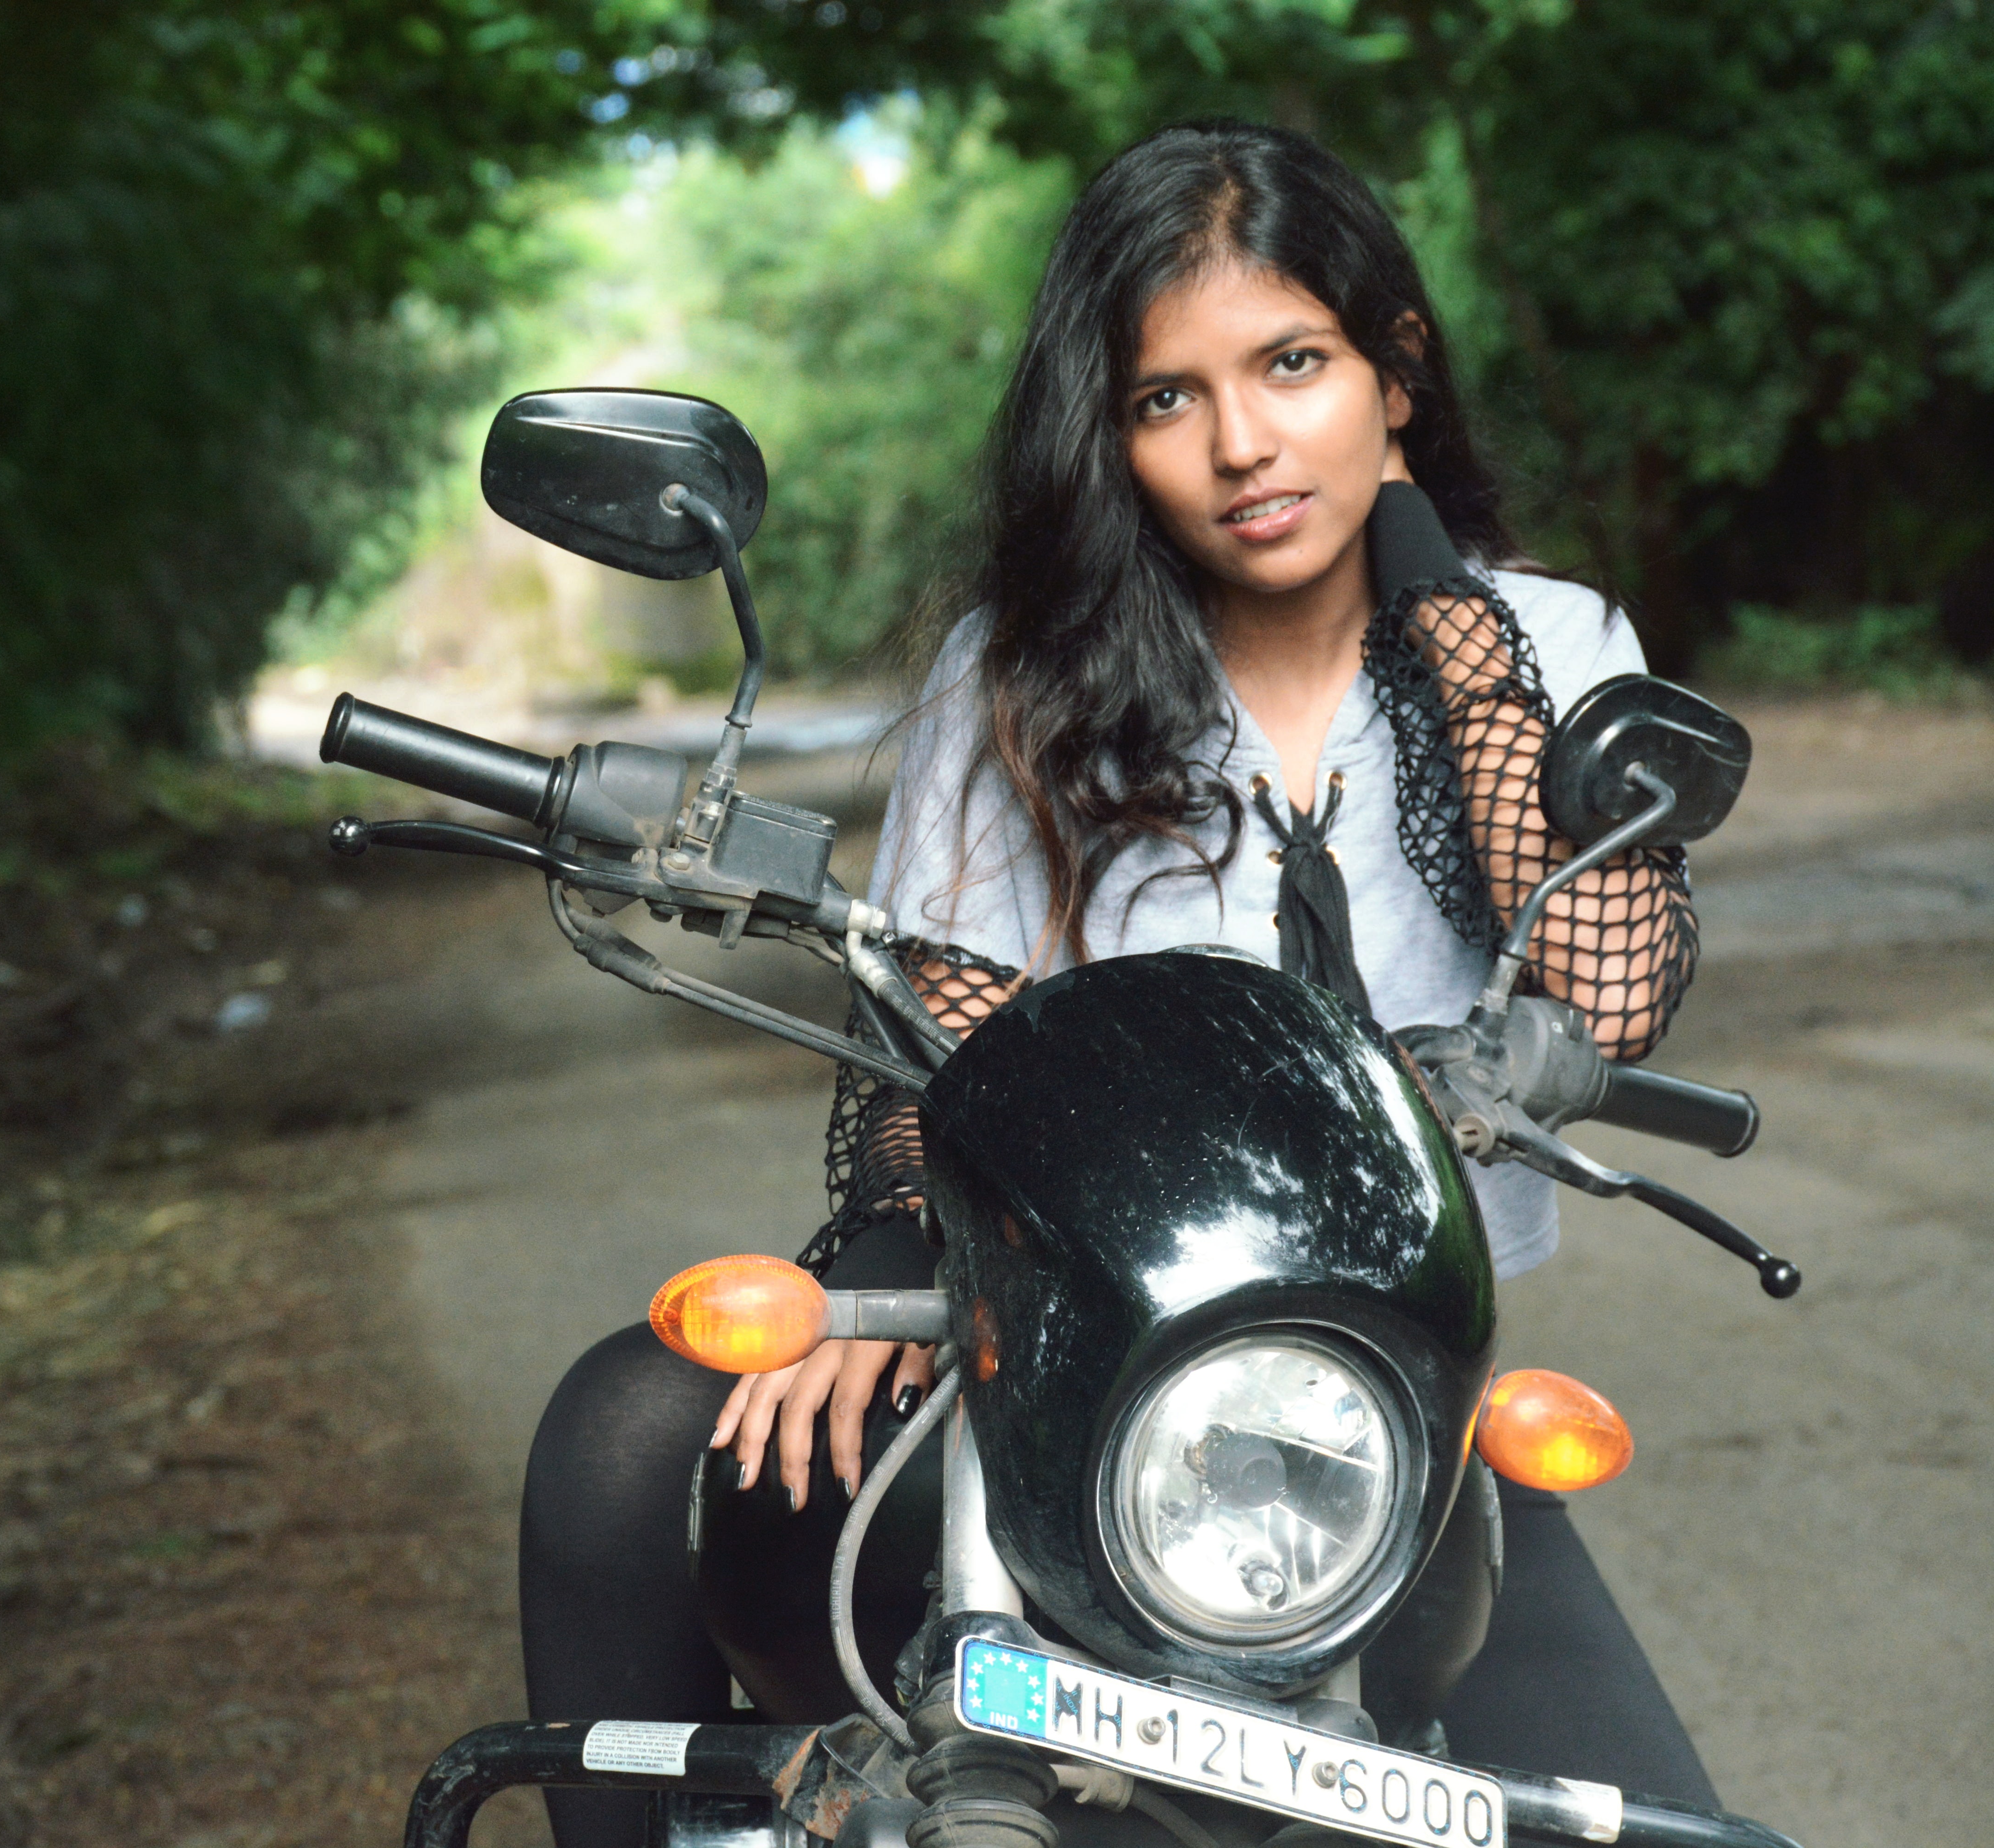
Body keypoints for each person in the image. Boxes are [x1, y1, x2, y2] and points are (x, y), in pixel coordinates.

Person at [519, 119, 1712, 1848]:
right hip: (1060, 1365)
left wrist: (1437, 595)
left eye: (1294, 366)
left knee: (1663, 1824)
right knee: (623, 1433)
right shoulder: (1019, 677)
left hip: (1362, 1406)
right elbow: (931, 1033)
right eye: (1168, 398)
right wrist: (880, 1261)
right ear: (1113, 435)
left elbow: (1605, 996)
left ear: (1396, 369)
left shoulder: (1557, 645)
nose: (1242, 445)